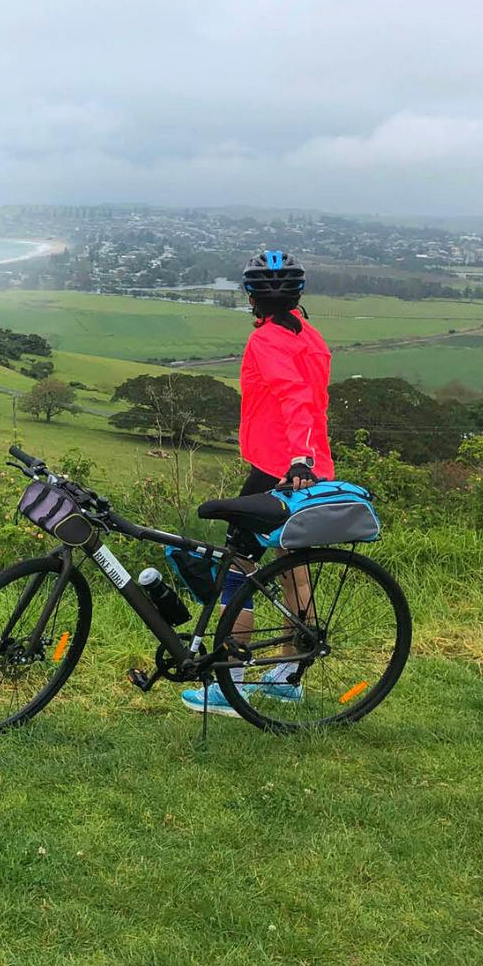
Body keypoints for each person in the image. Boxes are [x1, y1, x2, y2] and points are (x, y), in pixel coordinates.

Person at [181, 250, 330, 717]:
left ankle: (230, 684)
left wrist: (297, 456)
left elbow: (295, 397)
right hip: (312, 464)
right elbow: (310, 397)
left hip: (279, 466)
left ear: (250, 296)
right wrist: (309, 457)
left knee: (238, 565)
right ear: (298, 294)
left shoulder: (266, 341)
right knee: (292, 564)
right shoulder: (311, 336)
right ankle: (288, 675)